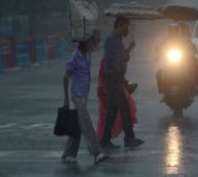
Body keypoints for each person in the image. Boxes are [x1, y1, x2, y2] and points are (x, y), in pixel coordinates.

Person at [61, 31, 109, 165]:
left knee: (77, 125)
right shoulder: (74, 58)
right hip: (77, 96)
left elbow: (97, 41)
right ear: (82, 43)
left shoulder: (87, 53)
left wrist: (94, 31)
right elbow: (65, 78)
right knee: (87, 123)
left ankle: (68, 154)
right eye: (88, 42)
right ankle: (97, 152)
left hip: (84, 95)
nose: (91, 44)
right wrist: (66, 99)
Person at [100, 16, 144, 149]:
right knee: (124, 109)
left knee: (113, 110)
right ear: (119, 25)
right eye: (126, 26)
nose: (127, 30)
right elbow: (114, 62)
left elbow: (121, 58)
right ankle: (129, 139)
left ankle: (106, 140)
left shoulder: (118, 40)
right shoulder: (111, 40)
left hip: (117, 79)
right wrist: (128, 52)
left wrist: (129, 49)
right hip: (113, 79)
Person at [96, 58, 138, 141]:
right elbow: (109, 72)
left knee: (117, 112)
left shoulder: (112, 54)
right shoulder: (109, 56)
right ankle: (127, 138)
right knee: (113, 113)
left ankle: (107, 139)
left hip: (115, 86)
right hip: (113, 87)